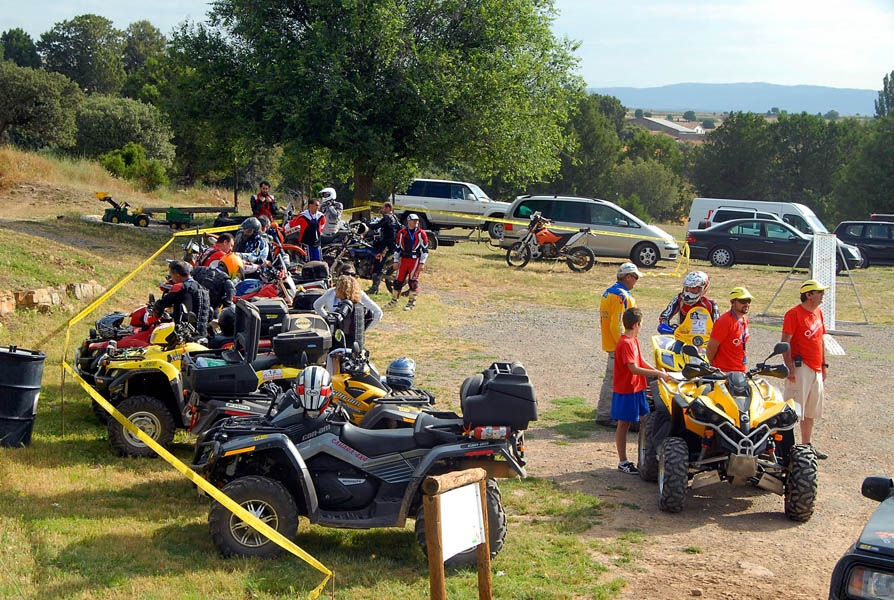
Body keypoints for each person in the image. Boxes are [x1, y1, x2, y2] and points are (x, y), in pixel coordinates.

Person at [613, 307, 673, 474]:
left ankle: (646, 456)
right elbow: (634, 368)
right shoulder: (625, 343)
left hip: (637, 388)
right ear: (636, 324)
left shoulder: (633, 340)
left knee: (646, 422)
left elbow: (641, 360)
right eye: (641, 324)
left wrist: (658, 372)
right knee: (623, 424)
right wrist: (657, 374)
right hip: (626, 390)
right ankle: (623, 461)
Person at [781, 280, 830, 460]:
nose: (823, 295)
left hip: (816, 368)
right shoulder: (793, 314)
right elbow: (785, 341)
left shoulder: (818, 313)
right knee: (793, 410)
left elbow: (821, 340)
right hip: (800, 367)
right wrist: (790, 368)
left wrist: (824, 365)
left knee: (811, 410)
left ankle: (806, 446)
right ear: (808, 295)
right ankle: (785, 448)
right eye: (819, 292)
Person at [596, 262, 641, 427]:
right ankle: (605, 415)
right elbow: (617, 325)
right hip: (618, 346)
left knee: (611, 379)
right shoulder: (622, 296)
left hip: (612, 344)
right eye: (635, 278)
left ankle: (607, 413)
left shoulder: (609, 292)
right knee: (614, 381)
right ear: (628, 277)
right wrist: (624, 345)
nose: (636, 281)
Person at [313, 266, 383, 347]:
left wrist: (363, 329)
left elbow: (378, 312)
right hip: (335, 335)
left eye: (353, 274)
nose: (349, 277)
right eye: (346, 274)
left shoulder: (360, 294)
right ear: (340, 275)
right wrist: (327, 319)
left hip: (354, 337)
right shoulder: (331, 292)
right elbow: (317, 305)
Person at [153, 260, 211, 337]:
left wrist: (156, 312)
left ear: (177, 275)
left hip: (184, 335)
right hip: (202, 334)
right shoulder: (203, 289)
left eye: (171, 275)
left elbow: (161, 304)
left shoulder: (180, 287)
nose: (171, 278)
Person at [386, 214, 429, 311]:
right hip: (404, 259)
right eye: (414, 220)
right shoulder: (402, 232)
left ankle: (411, 303)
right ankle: (394, 301)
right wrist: (396, 261)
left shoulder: (421, 233)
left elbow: (425, 249)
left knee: (413, 282)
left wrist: (422, 263)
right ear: (409, 221)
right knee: (398, 281)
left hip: (415, 260)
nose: (416, 222)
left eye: (417, 220)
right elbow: (397, 248)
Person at [706, 286, 752, 373]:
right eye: (742, 301)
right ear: (732, 302)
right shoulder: (725, 321)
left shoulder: (745, 319)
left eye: (748, 301)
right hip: (723, 372)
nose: (746, 304)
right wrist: (713, 365)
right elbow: (711, 347)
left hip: (740, 370)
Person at [366, 201, 400, 295]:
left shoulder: (387, 217)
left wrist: (366, 222)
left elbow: (375, 226)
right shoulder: (394, 217)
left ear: (388, 208)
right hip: (390, 244)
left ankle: (374, 288)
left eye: (383, 208)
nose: (381, 209)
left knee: (378, 263)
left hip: (386, 245)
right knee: (378, 261)